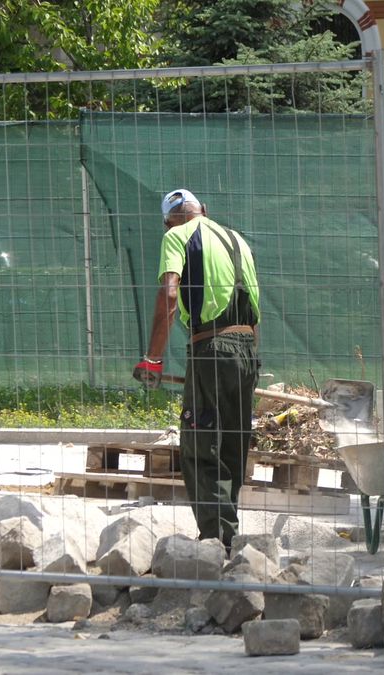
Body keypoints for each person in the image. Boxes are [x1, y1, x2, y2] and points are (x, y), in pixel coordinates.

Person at [133, 189, 261, 548]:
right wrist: (248, 361)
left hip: (211, 349)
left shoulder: (175, 237)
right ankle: (228, 537)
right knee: (234, 443)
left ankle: (213, 543)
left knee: (203, 444)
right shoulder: (238, 240)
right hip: (246, 350)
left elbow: (170, 293)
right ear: (204, 210)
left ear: (166, 222)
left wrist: (153, 359)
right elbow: (252, 299)